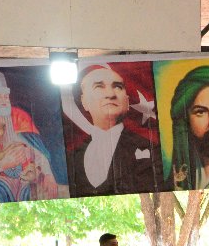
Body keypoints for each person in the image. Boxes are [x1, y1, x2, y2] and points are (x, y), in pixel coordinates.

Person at [0, 69, 60, 203]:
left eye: (5, 96)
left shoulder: (21, 117)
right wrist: (3, 164)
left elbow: (38, 153)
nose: (3, 100)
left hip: (26, 177)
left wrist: (48, 174)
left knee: (47, 190)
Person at [66, 64, 161, 196]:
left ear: (127, 101)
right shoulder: (72, 158)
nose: (110, 94)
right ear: (84, 101)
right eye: (99, 87)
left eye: (117, 87)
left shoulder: (151, 149)